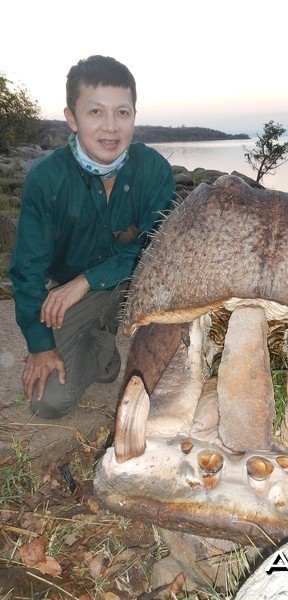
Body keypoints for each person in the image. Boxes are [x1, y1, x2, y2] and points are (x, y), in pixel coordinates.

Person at [9, 55, 176, 419]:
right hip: (70, 289)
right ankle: (102, 345)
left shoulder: (154, 170)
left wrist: (87, 281)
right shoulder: (46, 179)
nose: (111, 127)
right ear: (72, 118)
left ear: (134, 114)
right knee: (49, 400)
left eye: (122, 112)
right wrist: (40, 346)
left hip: (137, 286)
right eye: (95, 112)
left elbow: (159, 250)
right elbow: (27, 271)